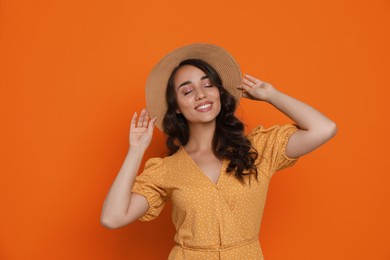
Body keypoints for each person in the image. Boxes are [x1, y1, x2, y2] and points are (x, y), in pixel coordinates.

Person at [100, 43, 337, 259]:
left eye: (208, 84)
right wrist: (136, 150)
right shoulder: (165, 169)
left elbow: (324, 128)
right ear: (177, 108)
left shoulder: (258, 150)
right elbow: (112, 217)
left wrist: (271, 95)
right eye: (187, 91)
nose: (201, 94)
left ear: (219, 94)